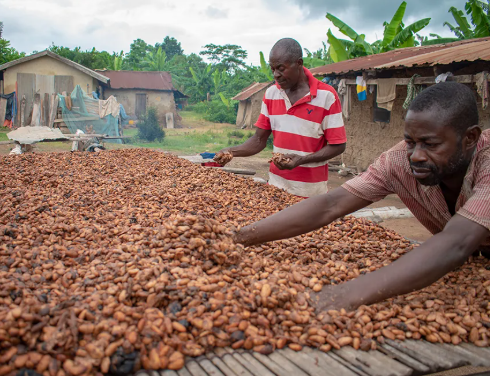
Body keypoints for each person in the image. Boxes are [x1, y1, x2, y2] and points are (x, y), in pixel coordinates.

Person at [235, 82, 490, 312]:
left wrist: (345, 294)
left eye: (430, 144)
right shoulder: (398, 161)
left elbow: (458, 241)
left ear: (470, 138)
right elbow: (331, 204)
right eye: (410, 142)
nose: (416, 156)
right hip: (469, 266)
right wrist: (238, 237)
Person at [214, 38, 347, 197]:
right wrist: (231, 151)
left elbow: (338, 145)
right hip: (276, 190)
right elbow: (258, 140)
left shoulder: (326, 96)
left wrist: (301, 160)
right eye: (272, 69)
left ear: (298, 63)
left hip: (311, 195)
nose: (276, 75)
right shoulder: (271, 94)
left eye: (281, 68)